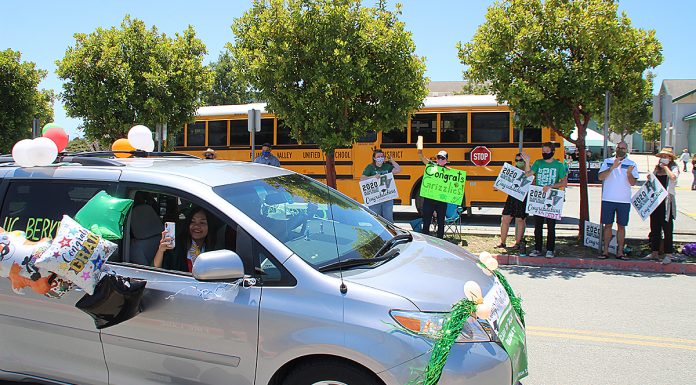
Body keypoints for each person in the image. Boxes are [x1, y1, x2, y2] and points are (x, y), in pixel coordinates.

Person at [597, 141, 638, 260]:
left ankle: (620, 251)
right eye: (619, 147)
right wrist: (612, 168)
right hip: (608, 198)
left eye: (623, 148)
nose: (621, 149)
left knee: (621, 226)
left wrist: (629, 173)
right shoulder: (607, 161)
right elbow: (600, 177)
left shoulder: (631, 163)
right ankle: (605, 251)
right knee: (607, 225)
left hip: (624, 200)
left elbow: (633, 182)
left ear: (627, 150)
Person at [525, 142, 567, 258]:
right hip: (538, 198)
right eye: (543, 151)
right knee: (537, 225)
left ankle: (550, 249)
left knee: (551, 226)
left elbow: (564, 182)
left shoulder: (559, 165)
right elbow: (528, 174)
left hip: (552, 198)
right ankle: (537, 249)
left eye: (547, 151)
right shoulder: (538, 163)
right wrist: (528, 162)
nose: (544, 153)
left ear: (553, 152)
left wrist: (551, 186)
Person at [642, 147, 679, 264]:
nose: (663, 159)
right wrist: (651, 176)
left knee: (667, 228)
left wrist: (666, 168)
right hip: (655, 201)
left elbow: (673, 177)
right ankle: (654, 252)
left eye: (666, 157)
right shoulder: (657, 169)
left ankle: (668, 253)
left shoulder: (673, 167)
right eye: (662, 157)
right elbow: (651, 182)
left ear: (670, 158)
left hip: (667, 201)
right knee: (655, 227)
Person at [153, 207, 216, 272]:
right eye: (192, 221)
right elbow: (157, 269)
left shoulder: (214, 249)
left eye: (202, 222)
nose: (196, 226)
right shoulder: (176, 245)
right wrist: (161, 250)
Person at [498, 152, 530, 251]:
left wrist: (527, 163)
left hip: (523, 197)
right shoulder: (512, 170)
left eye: (520, 160)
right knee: (505, 219)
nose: (518, 162)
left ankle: (518, 242)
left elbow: (530, 179)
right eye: (516, 160)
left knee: (520, 220)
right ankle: (502, 242)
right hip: (512, 197)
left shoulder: (529, 170)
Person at [360, 149, 401, 222]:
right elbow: (362, 179)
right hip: (374, 198)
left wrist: (392, 161)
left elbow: (398, 170)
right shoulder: (370, 167)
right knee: (376, 220)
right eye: (378, 156)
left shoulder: (387, 166)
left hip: (387, 197)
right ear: (374, 158)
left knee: (388, 220)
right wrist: (373, 177)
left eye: (382, 156)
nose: (380, 158)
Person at [417, 149, 450, 239]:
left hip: (441, 201)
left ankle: (440, 241)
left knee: (441, 223)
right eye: (438, 157)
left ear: (446, 160)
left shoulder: (450, 172)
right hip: (429, 200)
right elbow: (422, 158)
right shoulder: (431, 166)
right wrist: (419, 149)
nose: (440, 160)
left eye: (442, 158)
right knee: (426, 222)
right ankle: (425, 240)